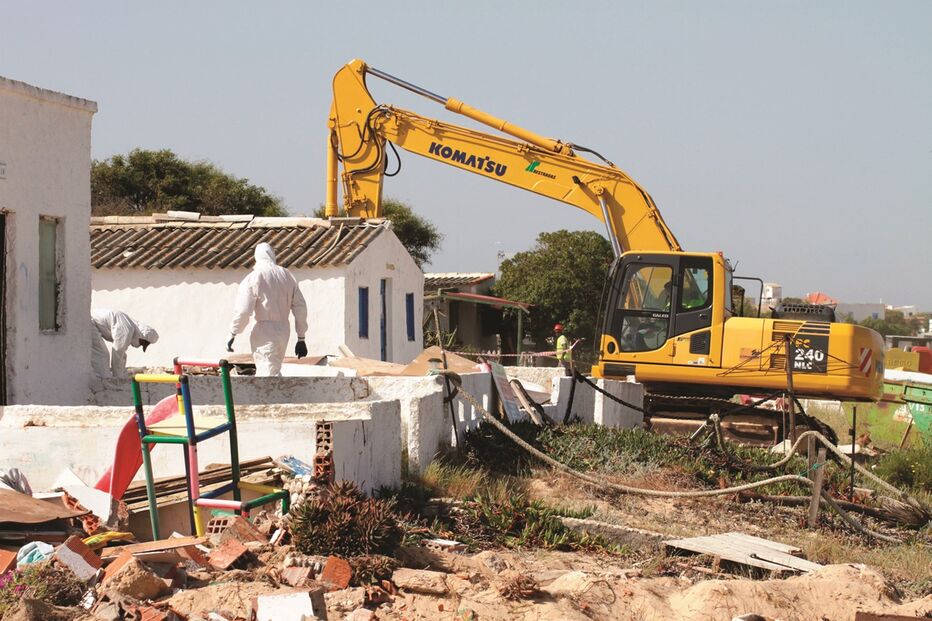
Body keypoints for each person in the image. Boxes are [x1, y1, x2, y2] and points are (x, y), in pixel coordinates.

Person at [228, 242, 308, 376]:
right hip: (283, 331)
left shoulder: (255, 277)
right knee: (273, 369)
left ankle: (275, 397)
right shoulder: (287, 275)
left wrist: (233, 332)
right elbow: (300, 307)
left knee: (267, 374)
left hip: (264, 332)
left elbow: (243, 311)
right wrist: (301, 337)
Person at [91, 309, 159, 378]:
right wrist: (118, 377)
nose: (139, 346)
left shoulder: (129, 326)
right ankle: (102, 380)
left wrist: (122, 372)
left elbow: (121, 353)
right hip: (90, 322)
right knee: (102, 354)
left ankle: (104, 378)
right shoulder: (126, 329)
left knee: (105, 355)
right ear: (141, 337)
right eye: (142, 343)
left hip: (93, 322)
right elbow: (118, 352)